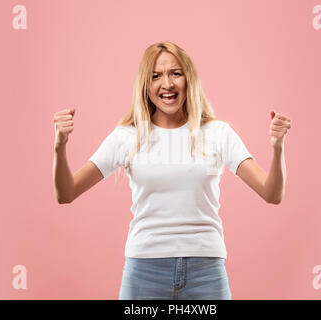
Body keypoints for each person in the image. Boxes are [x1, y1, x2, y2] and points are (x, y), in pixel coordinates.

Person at [52, 41, 291, 300]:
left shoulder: (218, 133)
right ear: (146, 86)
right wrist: (60, 146)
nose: (167, 84)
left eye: (175, 73)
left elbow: (271, 193)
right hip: (144, 270)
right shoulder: (126, 137)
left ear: (189, 79)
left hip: (206, 272)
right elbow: (66, 192)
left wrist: (277, 148)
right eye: (156, 76)